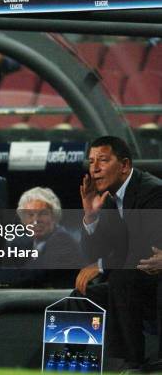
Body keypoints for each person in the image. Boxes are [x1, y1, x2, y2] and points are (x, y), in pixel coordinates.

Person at [75, 136, 161, 370]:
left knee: (121, 277)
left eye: (102, 160)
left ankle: (131, 363)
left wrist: (102, 265)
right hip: (138, 282)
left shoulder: (152, 191)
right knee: (82, 294)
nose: (94, 168)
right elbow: (92, 254)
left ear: (124, 165)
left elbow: (146, 249)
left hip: (153, 279)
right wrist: (90, 217)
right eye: (91, 161)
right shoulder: (110, 200)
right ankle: (79, 364)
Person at [0, 187, 85, 288]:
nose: (36, 220)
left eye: (43, 213)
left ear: (54, 216)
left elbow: (31, 276)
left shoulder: (63, 242)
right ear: (23, 220)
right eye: (30, 215)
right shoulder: (27, 244)